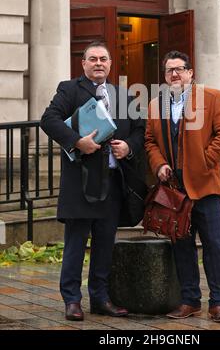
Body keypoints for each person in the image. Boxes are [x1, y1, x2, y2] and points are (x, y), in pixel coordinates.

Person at [41, 41, 145, 321]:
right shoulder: (69, 89)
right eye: (92, 59)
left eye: (103, 59)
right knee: (76, 243)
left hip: (113, 182)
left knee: (104, 244)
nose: (98, 63)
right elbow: (49, 119)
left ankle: (100, 298)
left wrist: (129, 148)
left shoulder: (123, 95)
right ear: (83, 64)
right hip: (82, 182)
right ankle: (72, 300)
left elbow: (139, 130)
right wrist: (77, 141)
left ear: (110, 64)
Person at [145, 50, 220, 323]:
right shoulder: (155, 105)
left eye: (180, 69)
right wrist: (159, 164)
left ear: (190, 73)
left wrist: (204, 161)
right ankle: (190, 301)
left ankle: (219, 302)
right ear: (164, 77)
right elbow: (150, 141)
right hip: (174, 190)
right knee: (182, 246)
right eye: (169, 70)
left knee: (214, 246)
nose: (175, 74)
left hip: (206, 187)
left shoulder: (211, 97)